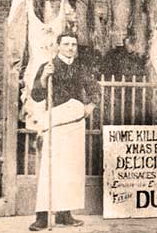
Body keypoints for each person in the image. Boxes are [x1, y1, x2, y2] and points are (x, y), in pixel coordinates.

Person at [29, 32, 99, 231]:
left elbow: (95, 89)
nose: (70, 48)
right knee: (50, 169)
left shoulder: (81, 68)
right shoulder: (49, 66)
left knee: (71, 169)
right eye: (66, 44)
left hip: (76, 122)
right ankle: (42, 216)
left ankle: (64, 214)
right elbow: (36, 95)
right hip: (56, 121)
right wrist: (44, 77)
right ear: (58, 46)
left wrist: (90, 107)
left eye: (74, 45)